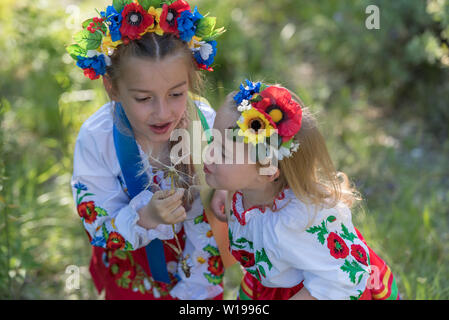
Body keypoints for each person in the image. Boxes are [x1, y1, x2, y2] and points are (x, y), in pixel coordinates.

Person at [69, 0, 235, 300]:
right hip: (134, 270)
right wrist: (146, 216)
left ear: (190, 82)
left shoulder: (206, 124)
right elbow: (98, 225)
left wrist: (226, 189)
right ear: (113, 88)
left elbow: (239, 176)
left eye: (176, 94)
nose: (163, 112)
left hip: (197, 264)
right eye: (144, 99)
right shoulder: (97, 140)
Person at [206, 80, 400, 300]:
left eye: (222, 153)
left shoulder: (297, 223)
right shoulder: (249, 185)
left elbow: (340, 279)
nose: (207, 154)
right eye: (213, 141)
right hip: (270, 285)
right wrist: (225, 189)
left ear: (268, 172)